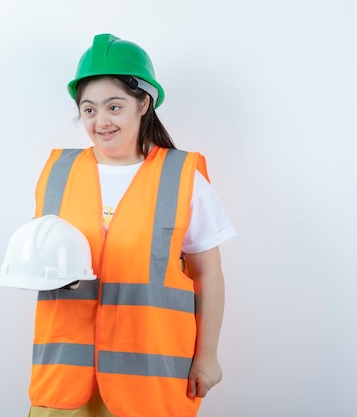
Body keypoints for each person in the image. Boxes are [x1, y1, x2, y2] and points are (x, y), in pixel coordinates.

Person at [26, 33, 236, 417]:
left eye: (114, 106)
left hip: (150, 383)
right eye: (88, 110)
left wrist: (208, 357)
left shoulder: (183, 177)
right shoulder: (58, 173)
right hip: (65, 380)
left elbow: (210, 274)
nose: (100, 121)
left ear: (144, 104)